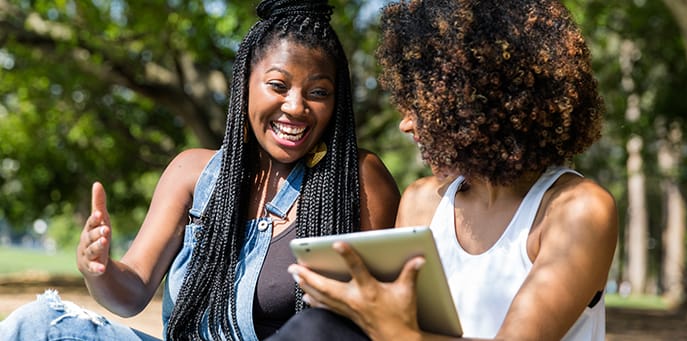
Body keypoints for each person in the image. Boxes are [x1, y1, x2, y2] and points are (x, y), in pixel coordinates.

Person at [0, 0, 400, 340]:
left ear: (336, 102)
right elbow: (131, 293)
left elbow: (385, 320)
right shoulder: (194, 172)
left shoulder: (359, 180)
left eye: (318, 93)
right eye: (278, 86)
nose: (296, 106)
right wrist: (98, 269)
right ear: (246, 86)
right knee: (38, 325)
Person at [273, 0, 618, 340]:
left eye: (421, 106)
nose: (405, 124)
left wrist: (391, 329)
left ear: (478, 103)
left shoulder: (577, 210)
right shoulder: (423, 202)